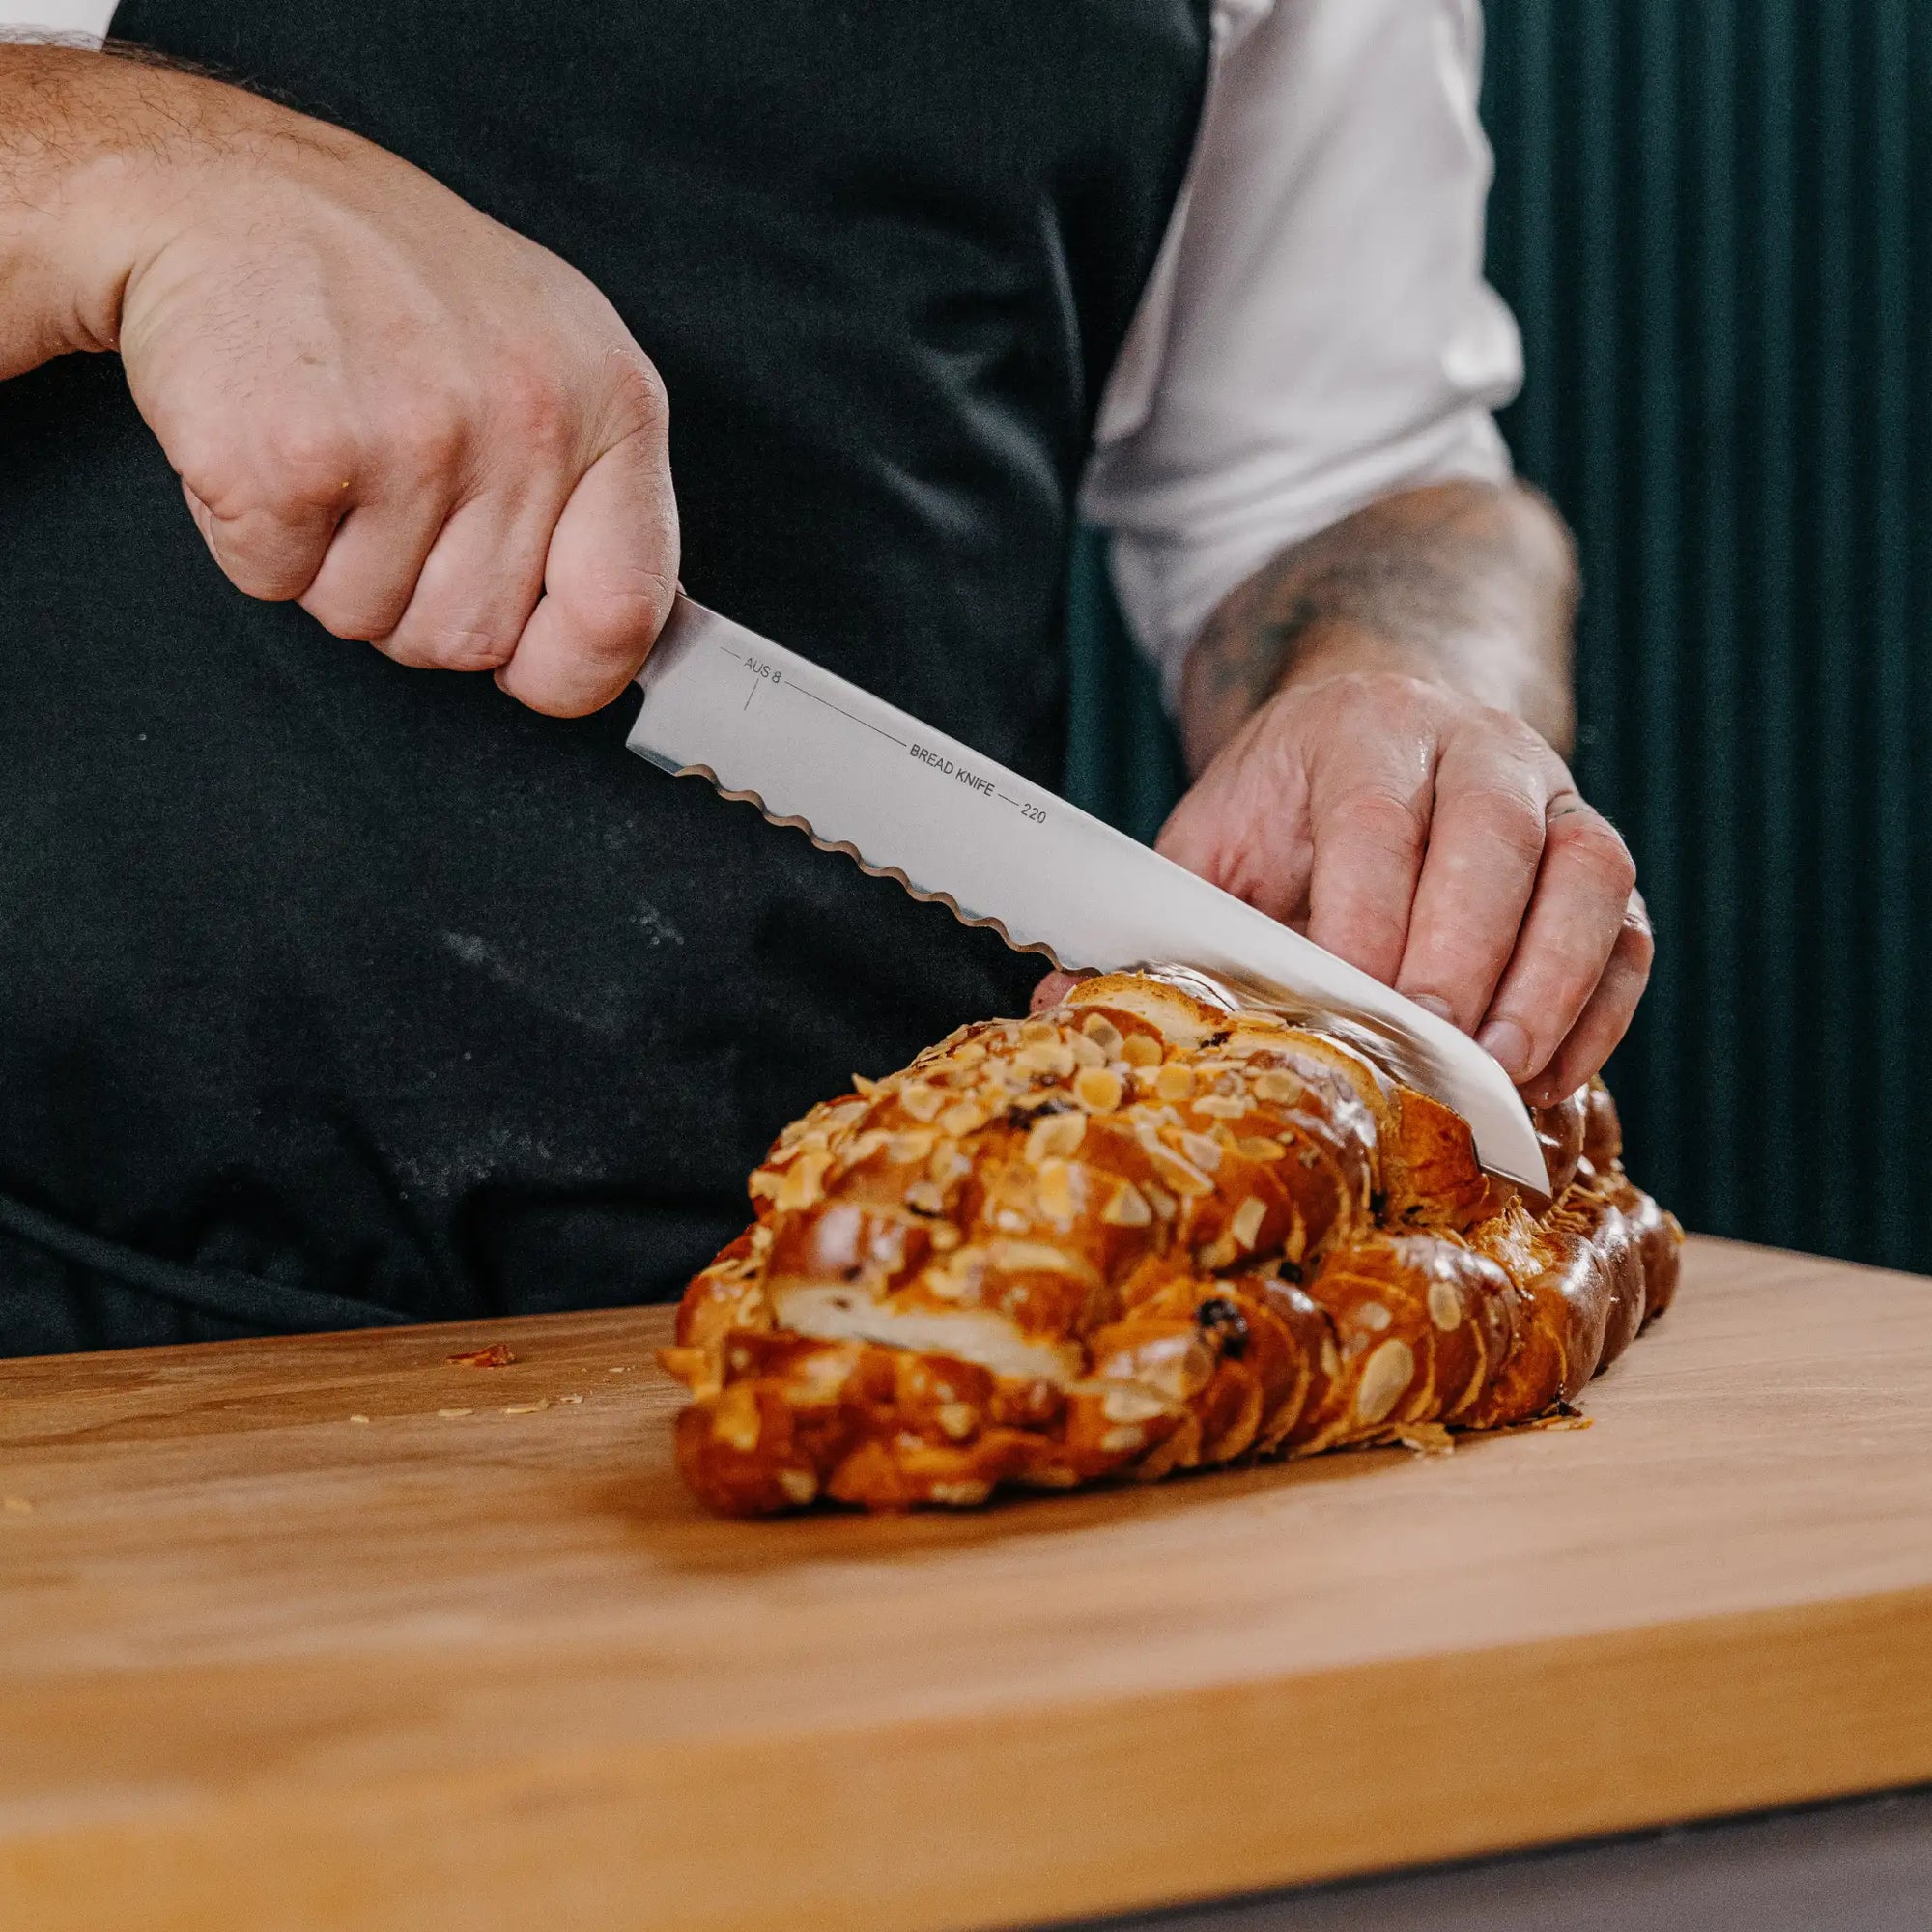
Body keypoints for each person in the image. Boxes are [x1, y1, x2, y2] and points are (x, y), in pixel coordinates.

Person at [0, 0, 1649, 1354]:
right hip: (61, 1297)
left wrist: (1405, 682)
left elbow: (1347, 484)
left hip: (896, 1311)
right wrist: (139, 164)